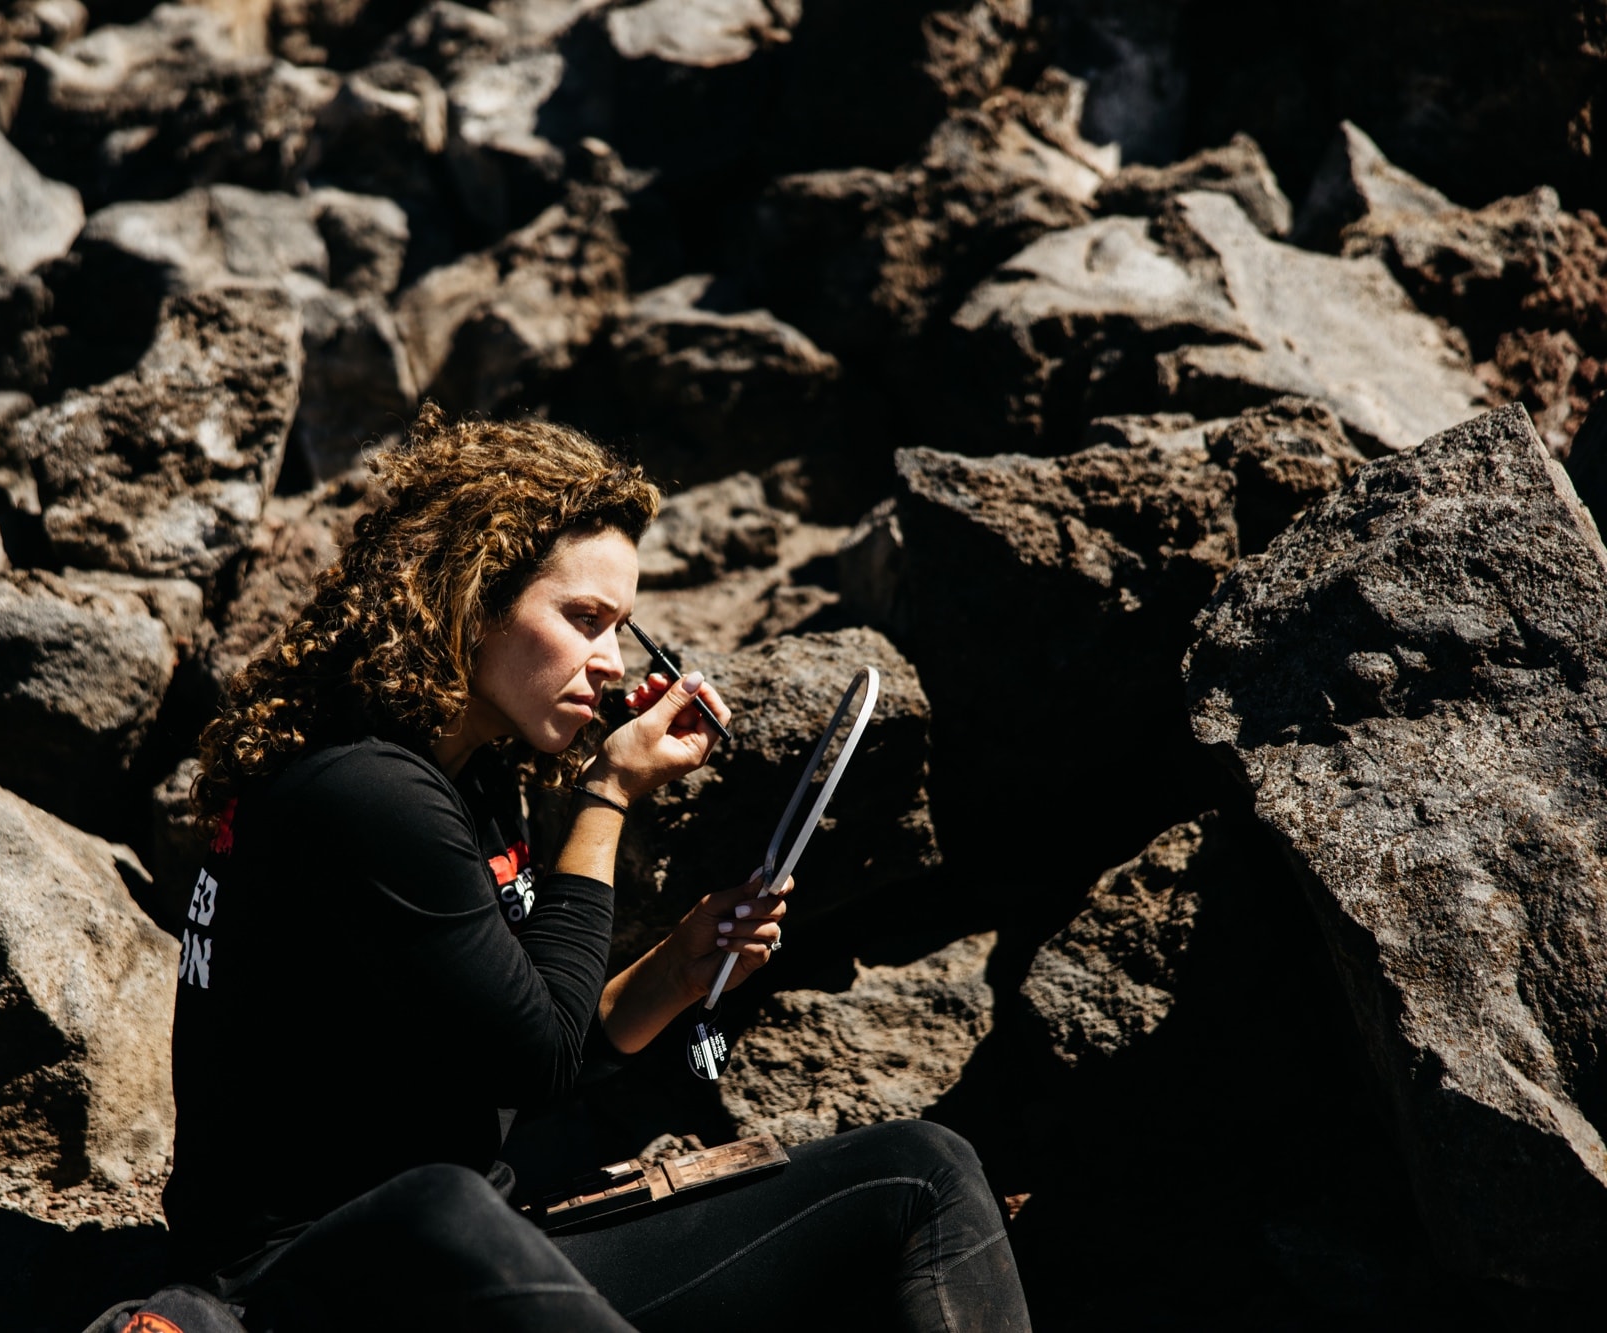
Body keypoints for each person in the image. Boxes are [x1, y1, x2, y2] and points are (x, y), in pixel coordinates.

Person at [165, 406, 1031, 1331]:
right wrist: (609, 792)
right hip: (317, 1276)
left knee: (923, 1171)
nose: (610, 664)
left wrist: (675, 969)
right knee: (447, 1203)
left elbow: (533, 1028)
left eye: (620, 627)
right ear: (472, 595)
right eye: (583, 619)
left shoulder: (471, 774)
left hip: (476, 1239)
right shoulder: (365, 791)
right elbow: (534, 1063)